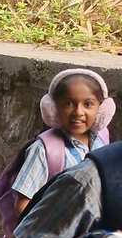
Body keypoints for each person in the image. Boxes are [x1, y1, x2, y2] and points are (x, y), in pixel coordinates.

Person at [10, 68, 113, 223]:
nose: (78, 112)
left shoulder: (102, 139)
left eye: (88, 104)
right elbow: (23, 205)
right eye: (68, 104)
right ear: (52, 108)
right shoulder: (44, 150)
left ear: (102, 109)